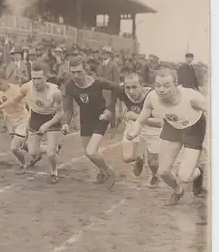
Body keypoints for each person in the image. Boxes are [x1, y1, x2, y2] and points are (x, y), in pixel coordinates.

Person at [126, 66, 207, 205]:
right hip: (172, 127)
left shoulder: (190, 97)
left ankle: (199, 169)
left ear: (176, 85)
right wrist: (134, 131)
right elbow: (141, 120)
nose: (161, 89)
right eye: (157, 85)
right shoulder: (152, 97)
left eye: (166, 85)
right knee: (163, 172)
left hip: (193, 129)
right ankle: (178, 191)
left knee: (185, 176)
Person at [0, 63, 62, 181]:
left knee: (51, 153)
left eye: (39, 78)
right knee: (33, 152)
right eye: (34, 78)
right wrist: (0, 107)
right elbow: (15, 99)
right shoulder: (27, 87)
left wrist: (47, 124)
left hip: (51, 118)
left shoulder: (55, 92)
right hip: (36, 117)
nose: (36, 82)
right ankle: (53, 148)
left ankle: (54, 172)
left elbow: (60, 113)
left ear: (46, 77)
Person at [62, 56, 119, 188]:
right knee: (89, 152)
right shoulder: (69, 86)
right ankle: (102, 172)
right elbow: (68, 109)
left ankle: (109, 172)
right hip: (85, 118)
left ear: (85, 70)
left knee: (91, 152)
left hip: (101, 118)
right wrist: (66, 123)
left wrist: (110, 109)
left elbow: (117, 88)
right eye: (73, 72)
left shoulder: (97, 82)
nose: (75, 75)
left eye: (79, 72)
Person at [0, 69, 46, 174]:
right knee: (26, 146)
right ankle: (50, 149)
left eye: (0, 83)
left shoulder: (17, 89)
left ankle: (23, 164)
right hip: (10, 121)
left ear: (6, 80)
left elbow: (27, 104)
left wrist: (33, 118)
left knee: (14, 147)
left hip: (22, 119)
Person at [118, 73, 162, 188]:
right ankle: (139, 158)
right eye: (128, 87)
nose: (131, 91)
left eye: (134, 87)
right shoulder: (122, 92)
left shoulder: (153, 96)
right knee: (127, 158)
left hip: (152, 127)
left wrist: (136, 116)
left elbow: (160, 122)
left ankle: (154, 175)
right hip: (134, 124)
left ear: (141, 85)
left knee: (153, 163)